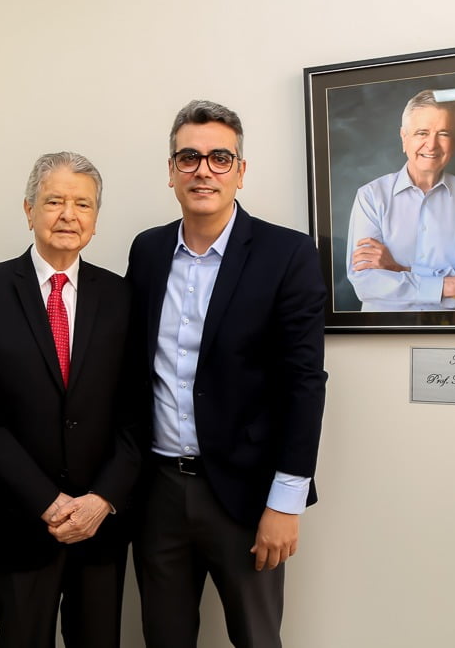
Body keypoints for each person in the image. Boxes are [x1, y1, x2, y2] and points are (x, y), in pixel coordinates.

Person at [126, 100, 328, 648]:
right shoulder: (146, 252)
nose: (203, 170)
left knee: (257, 639)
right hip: (158, 493)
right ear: (171, 171)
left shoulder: (286, 253)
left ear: (240, 171)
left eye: (220, 158)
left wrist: (286, 502)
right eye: (188, 157)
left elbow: (304, 382)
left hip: (246, 492)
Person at [0, 151, 140, 648]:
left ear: (96, 220)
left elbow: (137, 414)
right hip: (15, 520)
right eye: (55, 200)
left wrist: (100, 501)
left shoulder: (122, 297)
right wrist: (48, 502)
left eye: (83, 204)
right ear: (29, 209)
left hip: (99, 524)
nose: (68, 215)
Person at [347, 89, 455, 311]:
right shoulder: (370, 197)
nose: (432, 144)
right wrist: (452, 284)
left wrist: (399, 270)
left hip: (454, 337)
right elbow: (367, 285)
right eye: (422, 133)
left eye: (444, 133)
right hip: (381, 340)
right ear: (404, 138)